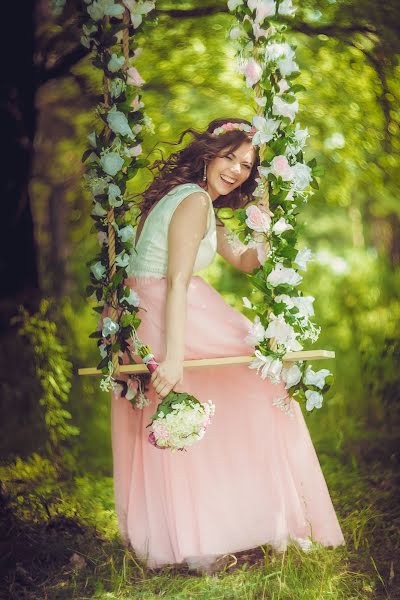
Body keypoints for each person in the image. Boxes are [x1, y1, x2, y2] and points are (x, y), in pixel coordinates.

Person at [110, 117, 345, 573]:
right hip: (164, 309)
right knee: (258, 378)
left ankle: (212, 527)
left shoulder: (196, 202)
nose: (237, 170)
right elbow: (177, 280)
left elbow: (244, 260)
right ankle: (238, 523)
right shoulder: (195, 200)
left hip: (150, 309)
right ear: (208, 154)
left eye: (247, 165)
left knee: (233, 388)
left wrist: (267, 217)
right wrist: (174, 359)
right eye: (230, 157)